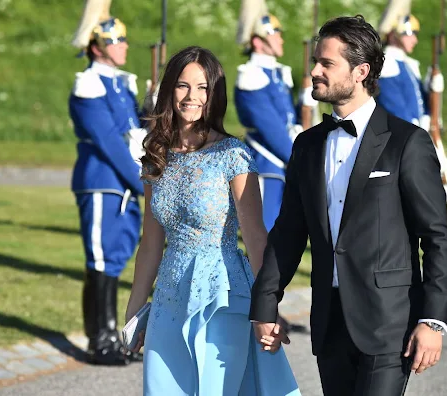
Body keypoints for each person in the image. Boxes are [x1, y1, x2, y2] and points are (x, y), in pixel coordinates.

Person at [250, 15, 447, 396]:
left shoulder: (406, 142)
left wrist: (433, 319)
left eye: (326, 63)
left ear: (361, 71)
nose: (313, 71)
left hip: (390, 325)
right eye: (316, 61)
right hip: (330, 324)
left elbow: (437, 236)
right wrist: (265, 302)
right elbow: (288, 233)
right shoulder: (307, 146)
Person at [125, 46, 300, 396]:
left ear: (214, 94)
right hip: (168, 301)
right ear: (169, 90)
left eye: (203, 87)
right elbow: (150, 245)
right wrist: (133, 314)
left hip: (223, 297)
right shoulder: (155, 158)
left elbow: (254, 236)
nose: (192, 96)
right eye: (182, 85)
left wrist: (268, 308)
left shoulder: (233, 154)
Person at [69, 0, 146, 365]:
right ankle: (99, 339)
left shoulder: (119, 84)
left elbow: (136, 132)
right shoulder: (89, 84)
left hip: (123, 184)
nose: (124, 46)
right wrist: (146, 184)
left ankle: (112, 337)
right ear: (98, 46)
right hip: (104, 182)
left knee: (115, 259)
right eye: (116, 41)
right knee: (100, 259)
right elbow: (111, 143)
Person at [234, 0, 318, 231]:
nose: (280, 38)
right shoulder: (251, 76)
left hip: (283, 161)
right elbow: (271, 129)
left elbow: (289, 118)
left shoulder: (277, 73)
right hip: (266, 161)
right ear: (257, 41)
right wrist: (299, 156)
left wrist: (306, 100)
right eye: (274, 34)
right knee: (265, 233)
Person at [376, 0, 447, 193]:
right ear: (394, 34)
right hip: (401, 143)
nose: (415, 40)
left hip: (417, 136)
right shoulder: (388, 65)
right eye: (410, 34)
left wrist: (433, 88)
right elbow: (397, 110)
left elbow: (420, 105)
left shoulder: (407, 64)